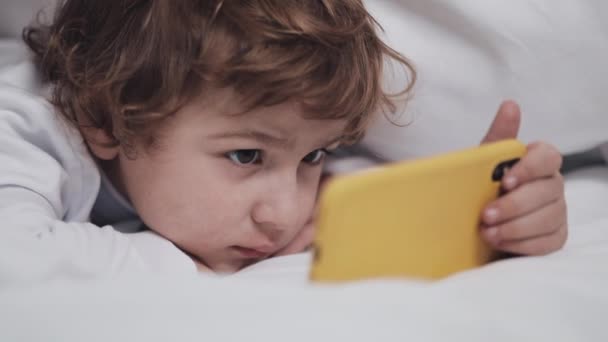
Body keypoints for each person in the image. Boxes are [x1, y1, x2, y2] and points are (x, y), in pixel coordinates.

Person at [0, 0, 566, 279]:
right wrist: (186, 266)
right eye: (246, 156)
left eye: (313, 156)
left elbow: (353, 189)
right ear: (106, 120)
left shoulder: (251, 126)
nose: (285, 213)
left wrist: (492, 215)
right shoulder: (27, 126)